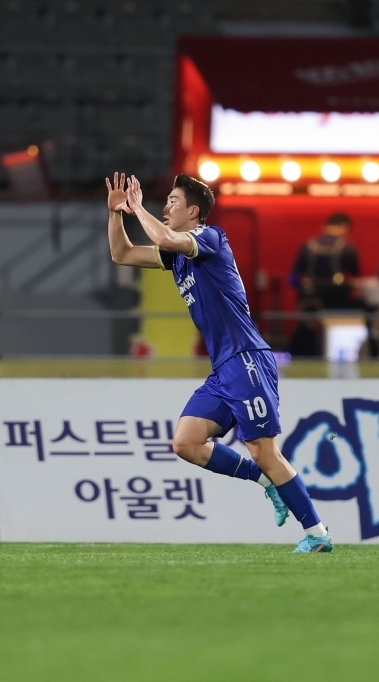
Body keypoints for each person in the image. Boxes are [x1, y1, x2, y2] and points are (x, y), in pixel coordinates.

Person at [105, 172, 333, 553]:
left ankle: (318, 534)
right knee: (186, 442)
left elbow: (162, 236)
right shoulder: (177, 255)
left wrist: (138, 208)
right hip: (223, 368)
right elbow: (122, 254)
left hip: (246, 359)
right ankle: (266, 485)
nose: (166, 208)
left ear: (194, 212)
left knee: (264, 449)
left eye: (173, 202)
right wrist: (117, 214)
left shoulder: (210, 238)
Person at [290, 212, 360, 309]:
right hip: (337, 300)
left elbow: (293, 279)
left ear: (325, 226)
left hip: (310, 300)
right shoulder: (348, 247)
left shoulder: (308, 245)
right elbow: (354, 279)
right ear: (344, 227)